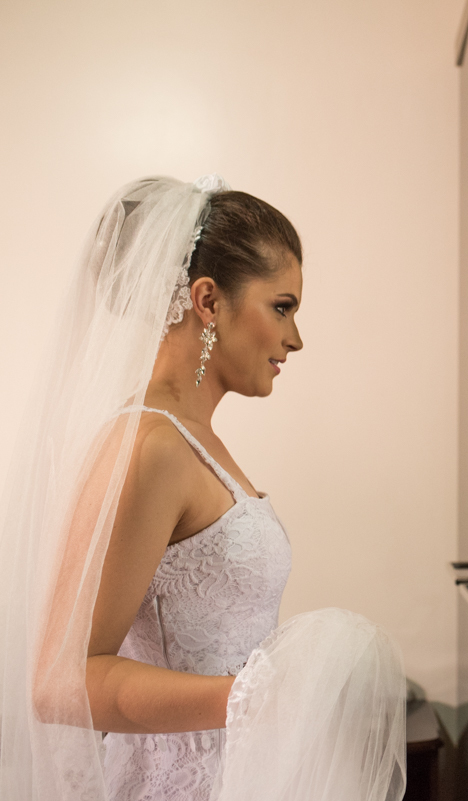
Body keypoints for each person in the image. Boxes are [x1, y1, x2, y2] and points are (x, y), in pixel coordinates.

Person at [0, 176, 406, 801]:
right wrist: (251, 698)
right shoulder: (152, 446)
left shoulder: (195, 439)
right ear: (208, 300)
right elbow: (61, 682)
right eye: (282, 307)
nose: (295, 338)